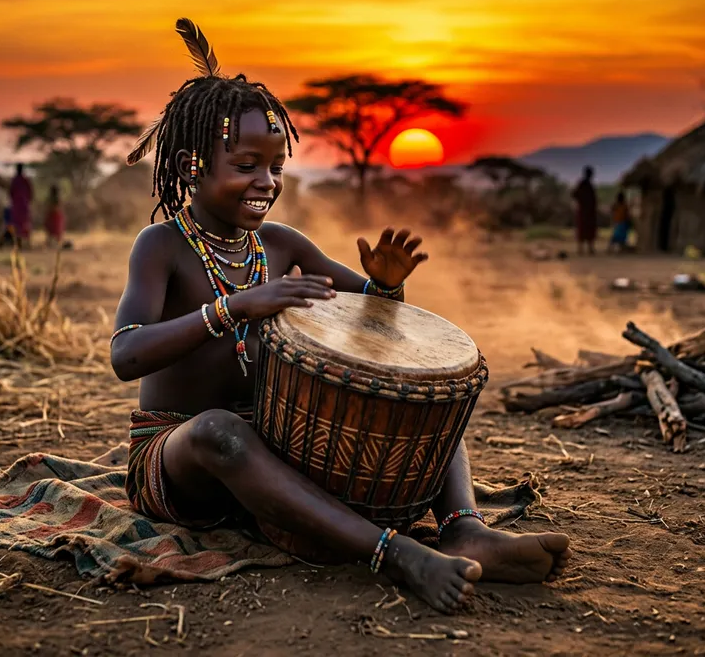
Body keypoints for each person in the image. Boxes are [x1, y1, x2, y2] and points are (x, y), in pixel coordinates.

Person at [112, 50, 571, 615]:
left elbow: (371, 319)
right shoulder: (161, 246)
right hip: (182, 459)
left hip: (278, 440)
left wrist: (386, 288)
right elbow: (126, 354)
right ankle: (395, 553)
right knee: (219, 430)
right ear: (190, 166)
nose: (266, 183)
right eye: (247, 165)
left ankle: (463, 528)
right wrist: (234, 307)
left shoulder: (281, 244)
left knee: (419, 394)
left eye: (276, 168)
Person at [571, 166, 597, 255]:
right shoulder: (582, 184)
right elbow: (574, 194)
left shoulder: (589, 185)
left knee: (589, 229)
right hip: (583, 210)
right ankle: (581, 248)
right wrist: (582, 201)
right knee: (582, 229)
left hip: (589, 211)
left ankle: (590, 248)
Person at [9, 163, 33, 249]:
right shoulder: (24, 180)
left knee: (19, 224)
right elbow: (30, 192)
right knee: (23, 223)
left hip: (18, 205)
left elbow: (11, 192)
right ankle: (23, 242)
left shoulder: (15, 180)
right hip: (23, 205)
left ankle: (20, 242)